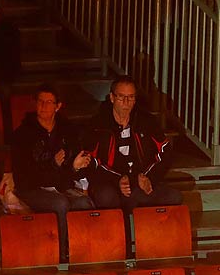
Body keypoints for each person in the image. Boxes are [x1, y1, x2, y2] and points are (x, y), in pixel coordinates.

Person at [85, 77, 181, 209]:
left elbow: (165, 153)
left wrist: (148, 178)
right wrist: (117, 179)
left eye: (130, 97)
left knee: (173, 197)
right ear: (112, 98)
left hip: (138, 181)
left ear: (135, 99)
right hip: (108, 182)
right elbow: (90, 162)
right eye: (121, 97)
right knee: (106, 197)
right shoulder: (98, 125)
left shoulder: (146, 121)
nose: (126, 102)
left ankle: (147, 229)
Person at [10, 84, 92, 224]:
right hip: (32, 188)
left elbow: (73, 168)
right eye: (40, 101)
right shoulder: (23, 134)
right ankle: (61, 245)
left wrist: (75, 167)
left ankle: (80, 244)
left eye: (49, 102)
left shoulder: (68, 130)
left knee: (83, 202)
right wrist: (52, 165)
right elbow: (24, 176)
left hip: (61, 185)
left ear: (57, 106)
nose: (43, 105)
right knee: (60, 203)